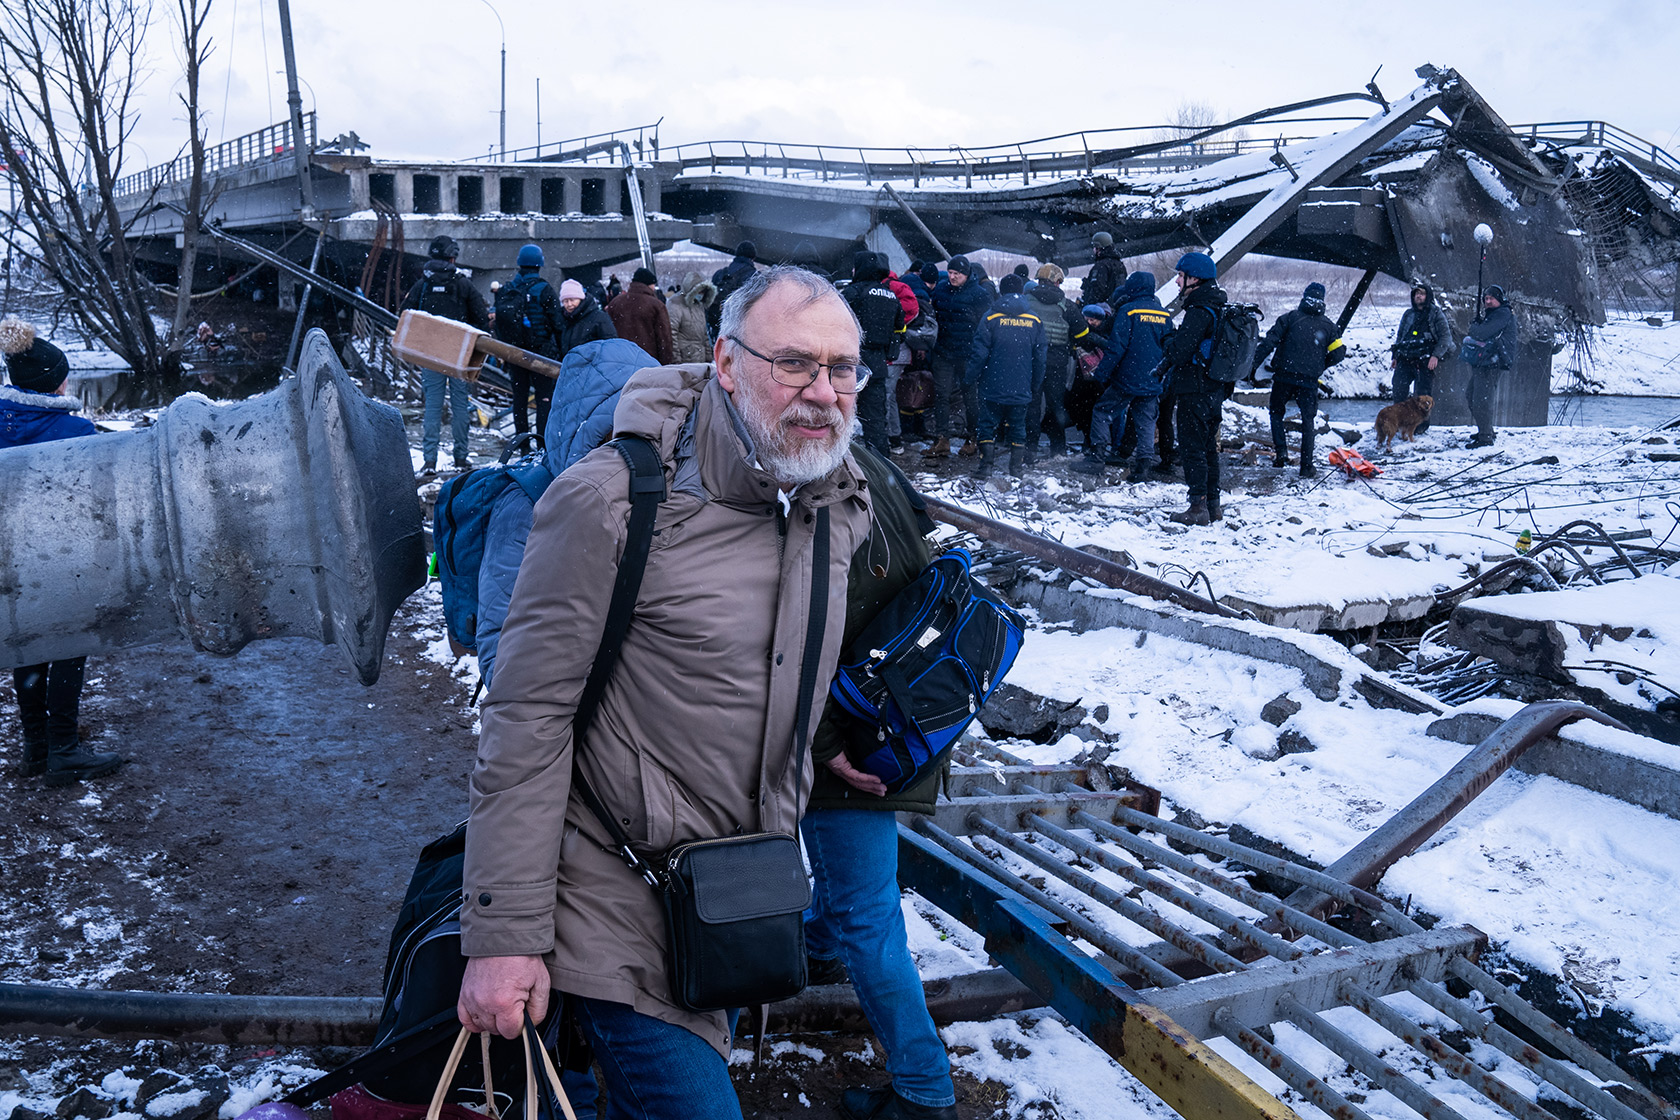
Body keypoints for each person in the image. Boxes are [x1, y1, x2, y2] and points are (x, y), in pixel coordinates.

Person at [456, 266, 871, 1120]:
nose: (824, 392)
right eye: (795, 363)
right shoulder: (608, 502)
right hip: (612, 900)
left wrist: (832, 741)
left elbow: (788, 664)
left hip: (735, 899)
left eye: (842, 368)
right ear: (726, 363)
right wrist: (504, 938)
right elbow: (527, 718)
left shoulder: (831, 501)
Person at [805, 445, 958, 1120]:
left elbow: (804, 632)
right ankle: (817, 949)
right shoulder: (866, 458)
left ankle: (924, 1088)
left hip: (857, 733)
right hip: (904, 712)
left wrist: (825, 746)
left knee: (867, 912)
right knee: (854, 888)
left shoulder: (800, 481)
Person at [1, 319, 124, 786]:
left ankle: (35, 747)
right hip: (61, 555)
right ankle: (63, 749)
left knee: (27, 643)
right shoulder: (74, 430)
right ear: (54, 382)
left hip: (10, 558)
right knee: (71, 643)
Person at [403, 235, 489, 475]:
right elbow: (481, 318)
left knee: (432, 406)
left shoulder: (422, 284)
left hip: (431, 354)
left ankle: (429, 461)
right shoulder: (462, 284)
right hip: (459, 353)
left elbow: (405, 315)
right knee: (460, 406)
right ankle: (460, 458)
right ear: (452, 257)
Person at [1157, 252, 1228, 525]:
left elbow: (1179, 352)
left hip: (1194, 388)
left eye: (1180, 275)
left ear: (1194, 278)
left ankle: (1197, 508)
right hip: (1213, 388)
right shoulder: (1217, 307)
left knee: (1192, 448)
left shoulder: (1199, 311)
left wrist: (1168, 338)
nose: (1177, 281)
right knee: (1208, 447)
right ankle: (1212, 505)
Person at [1077, 271, 1170, 476]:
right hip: (1152, 378)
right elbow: (1168, 349)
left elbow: (1116, 347)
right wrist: (1162, 378)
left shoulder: (1127, 311)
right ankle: (1143, 466)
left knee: (1102, 412)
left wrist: (1101, 374)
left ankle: (1097, 457)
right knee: (1145, 421)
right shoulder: (1164, 314)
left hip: (1127, 377)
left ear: (1132, 288)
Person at [1251, 282, 1346, 478]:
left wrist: (1251, 367)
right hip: (1309, 381)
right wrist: (1320, 365)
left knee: (1276, 412)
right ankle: (1306, 466)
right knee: (1308, 421)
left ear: (1304, 297)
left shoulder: (1289, 318)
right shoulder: (1329, 326)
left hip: (1284, 376)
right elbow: (1339, 353)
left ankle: (1281, 453)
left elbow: (1268, 343)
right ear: (1322, 300)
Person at [965, 273, 1046, 480]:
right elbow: (1040, 357)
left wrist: (970, 378)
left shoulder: (990, 317)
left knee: (987, 425)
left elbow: (979, 354)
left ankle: (985, 467)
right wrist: (1035, 384)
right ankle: (1016, 469)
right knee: (1018, 427)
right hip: (1021, 384)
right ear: (1021, 291)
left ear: (1001, 291)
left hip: (992, 384)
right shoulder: (1034, 320)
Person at [493, 243, 565, 443]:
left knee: (519, 399)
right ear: (539, 264)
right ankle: (541, 445)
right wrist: (562, 352)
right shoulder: (544, 289)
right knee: (544, 399)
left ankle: (521, 444)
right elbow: (558, 324)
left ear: (519, 263)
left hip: (515, 353)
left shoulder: (507, 289)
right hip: (541, 353)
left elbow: (499, 323)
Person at [924, 256, 990, 462]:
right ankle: (942, 439)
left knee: (970, 397)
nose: (952, 277)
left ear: (966, 275)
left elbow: (985, 326)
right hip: (943, 351)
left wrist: (981, 352)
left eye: (957, 274)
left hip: (967, 353)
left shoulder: (979, 294)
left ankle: (973, 438)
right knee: (941, 395)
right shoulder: (941, 289)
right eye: (950, 273)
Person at [840, 251, 906, 454]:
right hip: (877, 365)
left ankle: (838, 459)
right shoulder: (890, 295)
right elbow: (900, 328)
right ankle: (879, 461)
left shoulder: (853, 293)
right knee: (875, 418)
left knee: (839, 413)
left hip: (848, 364)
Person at [1025, 264, 1091, 461]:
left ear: (1039, 280)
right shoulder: (1067, 305)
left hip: (1031, 362)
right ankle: (1058, 449)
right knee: (1056, 406)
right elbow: (1083, 334)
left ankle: (1029, 449)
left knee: (1032, 406)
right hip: (1057, 364)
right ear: (1058, 282)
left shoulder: (1025, 302)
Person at [1390, 282, 1452, 435]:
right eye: (1416, 293)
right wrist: (1395, 356)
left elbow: (1445, 337)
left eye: (1422, 294)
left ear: (1428, 296)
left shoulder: (1436, 314)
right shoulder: (1408, 314)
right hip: (1405, 358)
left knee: (1423, 395)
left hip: (1425, 359)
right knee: (1398, 388)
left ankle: (1420, 426)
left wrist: (1436, 355)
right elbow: (1400, 336)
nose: (1418, 296)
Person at [1464, 285, 1517, 448]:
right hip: (1486, 361)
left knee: (1481, 400)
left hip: (1492, 362)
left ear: (1500, 299)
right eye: (1486, 299)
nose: (1488, 302)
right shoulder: (1494, 314)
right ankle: (1486, 430)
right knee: (1472, 395)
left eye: (1491, 298)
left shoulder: (1502, 313)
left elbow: (1480, 334)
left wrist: (1475, 327)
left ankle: (1486, 437)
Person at [605, 267, 674, 365]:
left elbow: (608, 333)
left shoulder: (615, 303)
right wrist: (666, 364)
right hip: (648, 361)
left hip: (620, 360)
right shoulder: (656, 305)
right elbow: (664, 339)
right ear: (649, 284)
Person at [707, 240, 759, 342]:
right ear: (753, 257)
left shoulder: (721, 274)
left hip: (718, 324)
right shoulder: (754, 276)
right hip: (741, 327)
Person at [555, 278, 617, 359]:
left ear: (580, 299)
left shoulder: (599, 318)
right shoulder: (563, 319)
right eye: (565, 301)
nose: (569, 304)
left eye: (572, 300)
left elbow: (611, 346)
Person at [667, 272, 717, 363]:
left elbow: (704, 334)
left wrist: (709, 356)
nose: (701, 294)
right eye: (699, 291)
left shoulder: (699, 305)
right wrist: (676, 359)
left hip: (699, 357)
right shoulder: (675, 304)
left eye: (703, 292)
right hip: (685, 358)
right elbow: (671, 333)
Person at [1082, 231, 1127, 309]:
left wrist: (1088, 304)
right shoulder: (1120, 264)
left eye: (1095, 247)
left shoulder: (1101, 266)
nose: (1093, 250)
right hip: (1117, 307)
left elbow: (1097, 291)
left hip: (1102, 309)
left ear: (1099, 248)